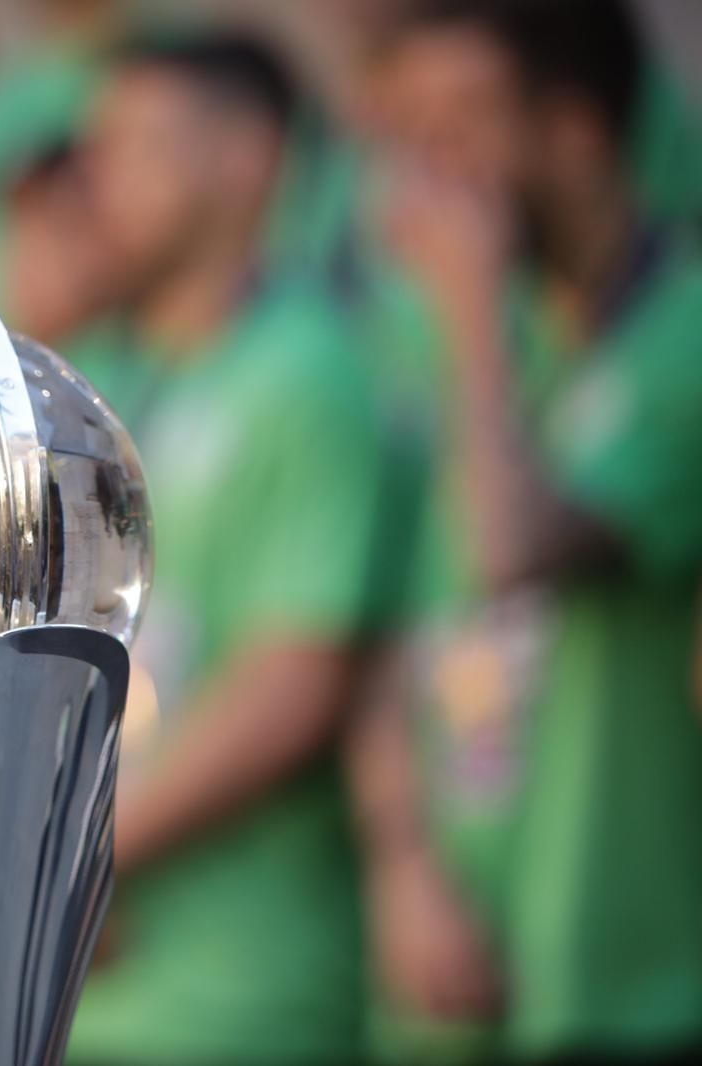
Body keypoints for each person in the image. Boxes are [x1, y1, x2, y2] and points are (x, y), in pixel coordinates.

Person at [351, 1, 702, 1061]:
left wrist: (465, 308)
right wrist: (402, 863)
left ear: (577, 130)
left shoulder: (681, 334)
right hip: (442, 971)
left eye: (463, 121)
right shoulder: (447, 334)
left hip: (619, 974)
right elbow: (388, 632)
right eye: (412, 131)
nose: (432, 168)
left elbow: (512, 548)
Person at [64, 34, 391, 1065]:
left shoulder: (307, 375)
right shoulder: (92, 381)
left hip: (238, 999)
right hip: (83, 998)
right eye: (94, 149)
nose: (99, 181)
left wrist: (78, 863)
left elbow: (292, 682)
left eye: (140, 146)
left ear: (246, 161)